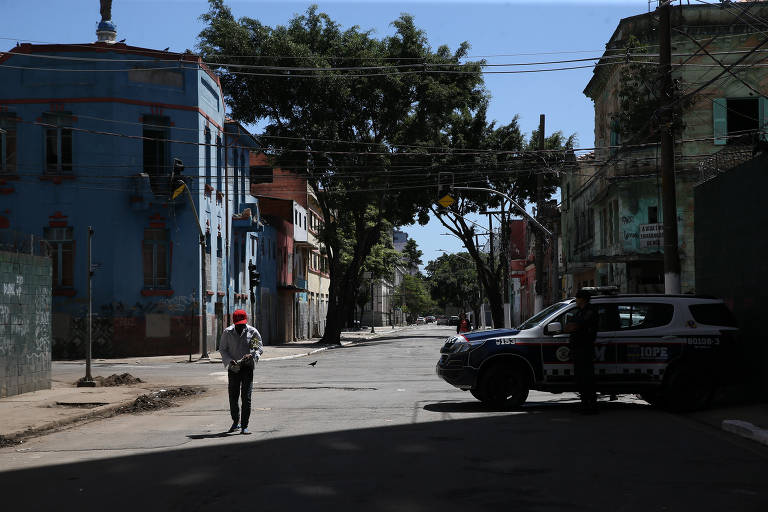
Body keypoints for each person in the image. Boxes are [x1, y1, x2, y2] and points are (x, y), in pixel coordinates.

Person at [219, 309, 263, 434]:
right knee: (233, 396)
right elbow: (222, 349)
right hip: (233, 368)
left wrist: (252, 354)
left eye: (243, 324)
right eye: (239, 324)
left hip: (247, 368)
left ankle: (244, 425)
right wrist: (229, 360)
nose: (241, 326)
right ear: (234, 323)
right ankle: (235, 421)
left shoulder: (252, 332)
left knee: (246, 397)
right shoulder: (227, 332)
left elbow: (258, 347)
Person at [564, 289, 599, 414]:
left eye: (577, 298)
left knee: (587, 378)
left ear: (583, 299)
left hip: (585, 348)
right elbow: (568, 327)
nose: (576, 301)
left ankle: (591, 405)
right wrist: (573, 326)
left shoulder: (590, 312)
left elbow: (575, 326)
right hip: (578, 349)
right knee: (580, 378)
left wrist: (574, 326)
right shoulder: (580, 312)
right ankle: (585, 403)